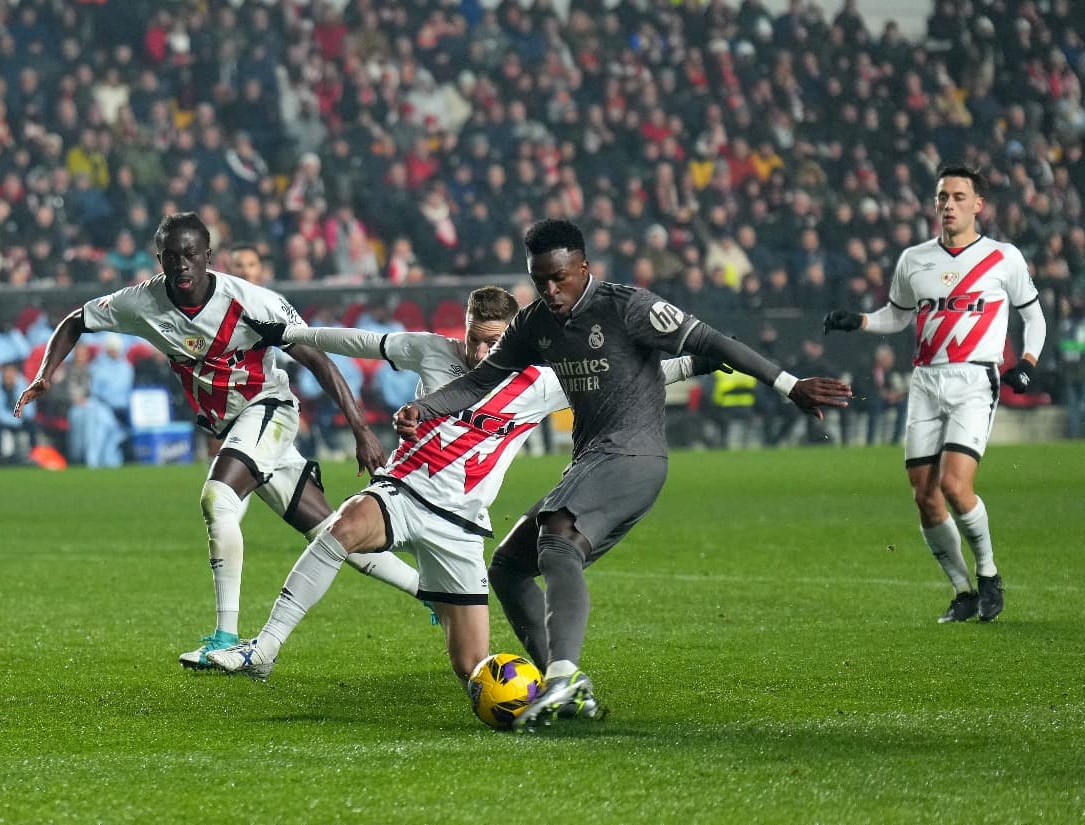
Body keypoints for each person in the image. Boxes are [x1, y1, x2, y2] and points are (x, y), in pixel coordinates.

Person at [393, 219, 852, 730]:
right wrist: (427, 408)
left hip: (634, 456)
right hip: (593, 459)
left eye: (560, 277)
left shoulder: (627, 306)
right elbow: (478, 382)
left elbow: (711, 340)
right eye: (540, 279)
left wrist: (789, 385)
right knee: (510, 565)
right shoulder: (534, 324)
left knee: (558, 538)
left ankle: (563, 676)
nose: (551, 290)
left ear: (584, 267)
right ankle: (562, 690)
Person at [203, 286, 718, 707]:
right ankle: (264, 650)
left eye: (491, 342)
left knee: (473, 669)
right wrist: (290, 333)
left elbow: (623, 380)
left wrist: (699, 362)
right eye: (472, 338)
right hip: (402, 490)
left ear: (513, 335)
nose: (478, 352)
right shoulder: (433, 350)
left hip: (462, 527)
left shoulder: (542, 381)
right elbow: (359, 340)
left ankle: (542, 700)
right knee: (344, 527)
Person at [12, 212, 421, 669]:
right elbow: (76, 320)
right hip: (234, 428)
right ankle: (434, 594)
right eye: (172, 257)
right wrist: (46, 374)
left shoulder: (252, 303)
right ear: (160, 260)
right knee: (334, 534)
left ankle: (226, 637)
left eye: (191, 255)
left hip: (268, 409)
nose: (182, 265)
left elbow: (320, 361)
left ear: (208, 256)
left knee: (217, 498)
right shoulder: (142, 302)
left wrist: (362, 430)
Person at [823, 166, 1045, 624]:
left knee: (954, 485)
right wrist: (861, 321)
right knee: (924, 496)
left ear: (978, 205)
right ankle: (962, 592)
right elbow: (898, 315)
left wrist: (1027, 362)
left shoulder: (1003, 258)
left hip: (974, 379)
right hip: (925, 382)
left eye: (959, 197)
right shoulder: (914, 259)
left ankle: (989, 575)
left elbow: (1034, 317)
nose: (948, 205)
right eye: (943, 196)